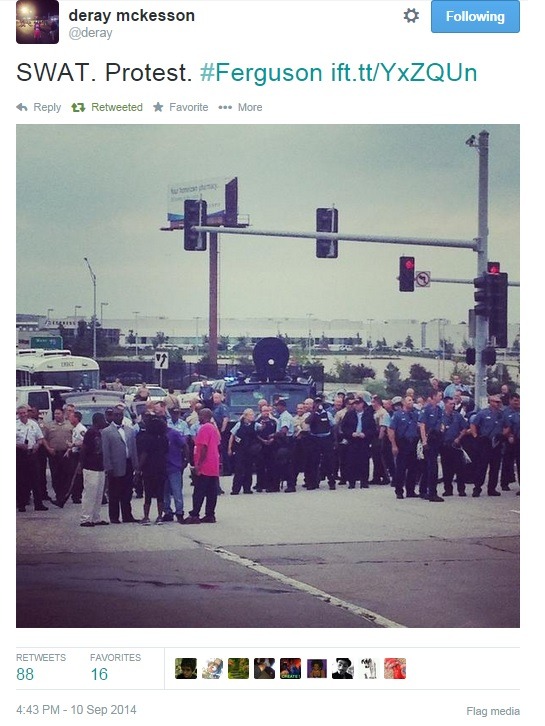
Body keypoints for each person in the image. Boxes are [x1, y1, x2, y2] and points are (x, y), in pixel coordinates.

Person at [181, 408, 221, 524]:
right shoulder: (213, 428)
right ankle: (210, 514)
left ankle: (195, 514)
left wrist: (198, 464)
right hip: (214, 464)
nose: (198, 418)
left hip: (205, 464)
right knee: (211, 492)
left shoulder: (204, 428)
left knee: (199, 491)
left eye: (199, 415)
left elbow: (203, 447)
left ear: (204, 416)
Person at [101, 405, 140, 523]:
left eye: (121, 415)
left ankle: (127, 515)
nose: (119, 417)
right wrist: (108, 467)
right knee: (114, 492)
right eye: (116, 415)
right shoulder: (106, 432)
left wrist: (136, 467)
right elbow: (106, 451)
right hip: (115, 465)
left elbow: (133, 449)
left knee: (127, 491)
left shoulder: (129, 430)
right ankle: (114, 516)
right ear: (112, 416)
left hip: (128, 463)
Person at [469, 394, 504, 497]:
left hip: (497, 443)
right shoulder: (483, 413)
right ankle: (477, 488)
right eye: (496, 402)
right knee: (482, 467)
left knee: (495, 467)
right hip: (485, 443)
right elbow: (473, 424)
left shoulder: (501, 414)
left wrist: (503, 435)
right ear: (491, 402)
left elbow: (507, 426)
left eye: (499, 402)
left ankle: (492, 489)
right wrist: (476, 436)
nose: (498, 404)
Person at [137, 415, 169, 524]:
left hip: (149, 468)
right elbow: (166, 451)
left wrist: (138, 468)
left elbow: (144, 453)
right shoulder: (164, 438)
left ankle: (146, 517)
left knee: (148, 493)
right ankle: (160, 516)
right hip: (161, 466)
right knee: (160, 493)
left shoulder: (146, 438)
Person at [79, 413, 109, 527]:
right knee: (90, 493)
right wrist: (81, 465)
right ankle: (85, 518)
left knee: (98, 494)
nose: (104, 422)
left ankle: (96, 517)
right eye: (102, 420)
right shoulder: (90, 433)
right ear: (97, 421)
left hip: (100, 467)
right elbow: (84, 449)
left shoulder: (100, 433)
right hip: (90, 467)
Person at [340, 393, 376, 489]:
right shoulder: (349, 414)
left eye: (358, 403)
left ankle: (364, 481)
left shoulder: (368, 415)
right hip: (352, 441)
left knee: (364, 461)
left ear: (362, 404)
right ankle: (352, 482)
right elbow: (343, 427)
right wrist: (351, 433)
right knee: (351, 461)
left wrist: (366, 434)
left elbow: (373, 429)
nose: (356, 405)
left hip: (363, 441)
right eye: (354, 404)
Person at [16, 405, 48, 512]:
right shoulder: (15, 425)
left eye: (24, 413)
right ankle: (21, 504)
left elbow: (40, 438)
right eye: (20, 413)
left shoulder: (33, 424)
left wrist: (37, 445)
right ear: (18, 414)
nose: (23, 415)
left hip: (32, 453)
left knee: (36, 479)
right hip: (20, 454)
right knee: (21, 480)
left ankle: (38, 504)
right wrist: (19, 445)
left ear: (27, 413)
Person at [388, 396, 420, 499]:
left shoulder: (415, 414)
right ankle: (399, 491)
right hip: (402, 443)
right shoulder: (397, 415)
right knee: (401, 469)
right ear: (403, 402)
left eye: (412, 400)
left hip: (413, 442)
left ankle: (410, 490)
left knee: (413, 468)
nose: (411, 402)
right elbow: (391, 430)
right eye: (409, 400)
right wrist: (393, 445)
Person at [418, 389, 445, 502]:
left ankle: (423, 490)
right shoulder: (426, 409)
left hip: (436, 439)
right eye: (439, 395)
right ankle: (431, 493)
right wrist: (424, 441)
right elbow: (422, 426)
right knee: (432, 467)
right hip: (429, 440)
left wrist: (442, 428)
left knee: (429, 467)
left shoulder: (438, 409)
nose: (441, 397)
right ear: (433, 396)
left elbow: (440, 422)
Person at [439, 397, 470, 496]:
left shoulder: (457, 416)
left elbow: (465, 428)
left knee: (460, 468)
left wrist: (459, 438)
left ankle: (461, 490)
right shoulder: (440, 416)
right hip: (445, 445)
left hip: (456, 445)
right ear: (445, 404)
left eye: (453, 404)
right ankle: (448, 489)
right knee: (447, 469)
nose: (452, 405)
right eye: (450, 404)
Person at [43, 408, 73, 507]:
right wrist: (48, 449)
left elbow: (74, 437)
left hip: (66, 454)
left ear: (63, 414)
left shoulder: (70, 425)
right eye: (55, 414)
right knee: (55, 476)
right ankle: (58, 495)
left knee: (66, 475)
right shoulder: (49, 426)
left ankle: (64, 494)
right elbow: (44, 439)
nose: (56, 415)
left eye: (58, 413)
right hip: (54, 454)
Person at [305, 397, 336, 490]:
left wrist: (334, 440)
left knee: (329, 461)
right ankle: (313, 483)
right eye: (316, 403)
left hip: (326, 439)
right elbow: (307, 421)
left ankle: (332, 482)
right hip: (315, 439)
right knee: (314, 461)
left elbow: (333, 425)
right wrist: (314, 412)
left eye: (320, 403)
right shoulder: (312, 415)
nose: (318, 405)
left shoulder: (327, 414)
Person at [162, 418, 189, 523]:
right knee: (165, 492)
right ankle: (167, 512)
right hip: (163, 467)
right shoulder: (158, 434)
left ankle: (179, 512)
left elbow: (185, 445)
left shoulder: (174, 433)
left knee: (177, 491)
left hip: (174, 466)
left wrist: (186, 459)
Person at [228, 408, 260, 494]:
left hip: (250, 451)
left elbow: (261, 429)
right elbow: (232, 436)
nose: (253, 416)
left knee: (248, 470)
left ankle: (247, 488)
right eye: (251, 415)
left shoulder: (255, 425)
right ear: (245, 416)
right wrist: (229, 448)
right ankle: (235, 489)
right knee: (239, 470)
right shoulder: (239, 424)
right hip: (240, 450)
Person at [501, 393, 520, 494]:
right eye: (515, 400)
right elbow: (504, 426)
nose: (517, 402)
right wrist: (509, 436)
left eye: (518, 400)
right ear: (510, 401)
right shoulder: (506, 412)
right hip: (510, 440)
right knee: (507, 462)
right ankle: (504, 483)